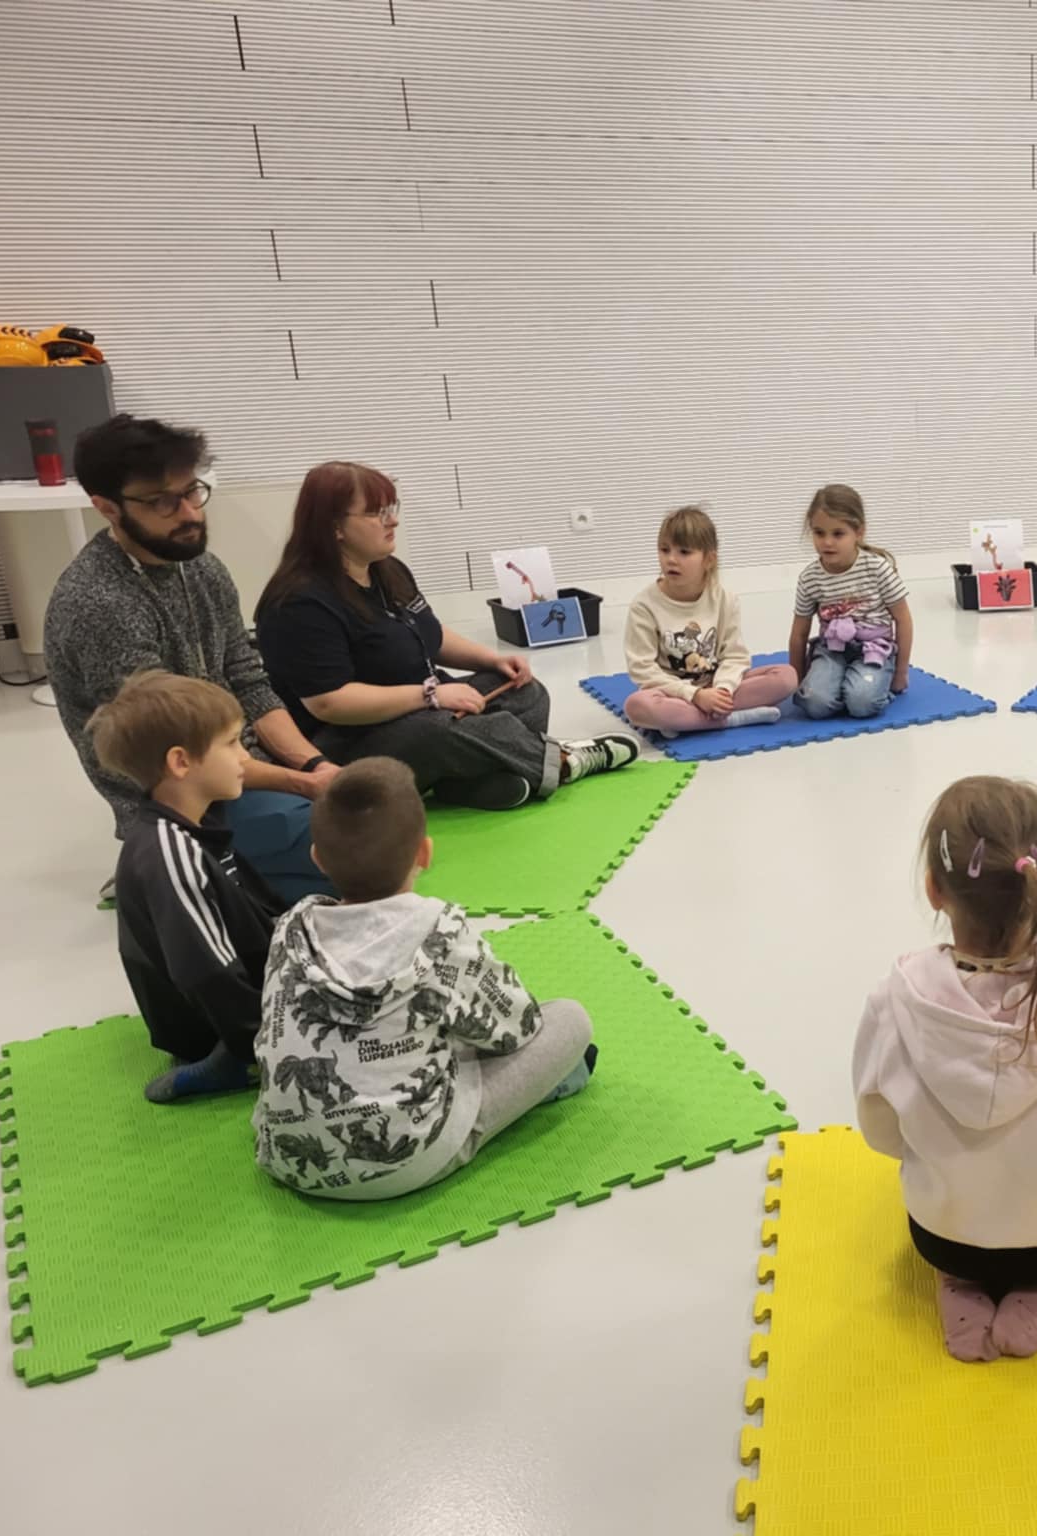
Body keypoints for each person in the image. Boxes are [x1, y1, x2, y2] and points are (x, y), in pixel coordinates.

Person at [851, 776, 1037, 1363]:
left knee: (957, 1232)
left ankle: (960, 1283)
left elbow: (880, 1132)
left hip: (942, 1236)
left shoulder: (894, 998)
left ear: (933, 890)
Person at [253, 758, 598, 1200]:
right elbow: (518, 1027)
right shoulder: (439, 931)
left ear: (316, 857)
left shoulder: (291, 929)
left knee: (427, 1025)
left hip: (286, 1156)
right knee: (570, 1019)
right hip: (406, 1163)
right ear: (425, 853)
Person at [44, 414, 337, 903]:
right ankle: (164, 862)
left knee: (375, 806)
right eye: (162, 501)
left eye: (191, 492)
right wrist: (304, 785)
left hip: (239, 763)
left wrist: (316, 764)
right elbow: (171, 749)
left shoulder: (200, 567)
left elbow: (248, 679)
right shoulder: (99, 602)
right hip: (180, 794)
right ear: (107, 507)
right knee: (349, 850)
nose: (189, 513)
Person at [254, 461, 639, 810]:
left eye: (392, 508)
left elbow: (431, 636)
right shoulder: (299, 602)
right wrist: (430, 696)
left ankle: (469, 782)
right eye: (376, 513)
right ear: (334, 527)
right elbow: (329, 703)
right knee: (439, 730)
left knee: (526, 692)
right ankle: (564, 761)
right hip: (351, 740)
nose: (393, 521)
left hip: (424, 706)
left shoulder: (388, 570)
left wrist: (492, 660)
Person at [88, 671, 281, 1103]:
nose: (244, 756)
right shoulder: (169, 852)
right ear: (181, 762)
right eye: (232, 743)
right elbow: (207, 972)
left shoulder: (195, 822)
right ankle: (229, 1064)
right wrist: (263, 1042)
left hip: (247, 988)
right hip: (216, 1028)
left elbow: (251, 903)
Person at [622, 505, 798, 739]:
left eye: (684, 552)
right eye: (664, 550)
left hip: (716, 687)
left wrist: (722, 690)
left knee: (786, 677)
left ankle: (690, 721)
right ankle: (734, 718)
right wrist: (694, 695)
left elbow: (735, 656)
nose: (671, 559)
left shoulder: (725, 600)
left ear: (709, 559)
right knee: (636, 706)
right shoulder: (644, 606)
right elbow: (642, 669)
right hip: (673, 693)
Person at [788, 484, 914, 719]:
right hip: (832, 650)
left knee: (862, 704)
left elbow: (903, 619)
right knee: (814, 704)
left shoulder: (877, 568)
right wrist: (797, 678)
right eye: (819, 533)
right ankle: (843, 687)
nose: (827, 542)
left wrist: (901, 672)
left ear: (859, 532)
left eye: (838, 534)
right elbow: (799, 633)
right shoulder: (810, 578)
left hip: (873, 649)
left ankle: (868, 687)